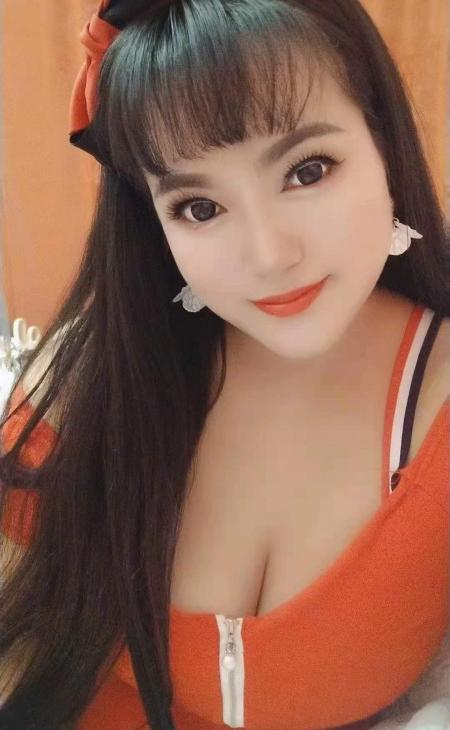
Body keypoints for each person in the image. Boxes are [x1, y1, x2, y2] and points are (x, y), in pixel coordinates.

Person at [0, 1, 448, 728]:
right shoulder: (93, 382)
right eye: (199, 208)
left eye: (307, 170)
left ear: (384, 144)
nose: (268, 256)